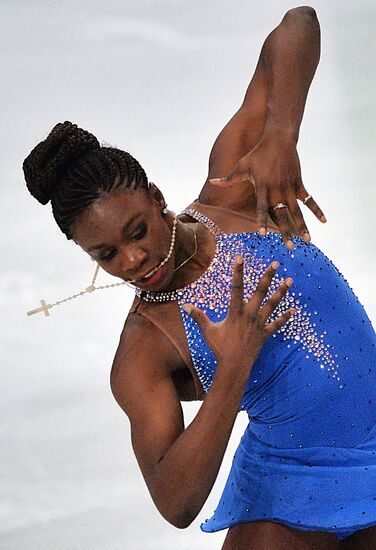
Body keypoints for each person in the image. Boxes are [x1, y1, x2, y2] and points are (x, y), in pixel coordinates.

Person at [23, 6, 376, 550]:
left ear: (158, 198)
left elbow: (297, 25)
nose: (133, 260)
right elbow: (175, 501)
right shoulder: (147, 346)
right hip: (290, 502)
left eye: (137, 231)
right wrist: (233, 367)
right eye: (107, 254)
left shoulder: (234, 191)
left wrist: (282, 136)